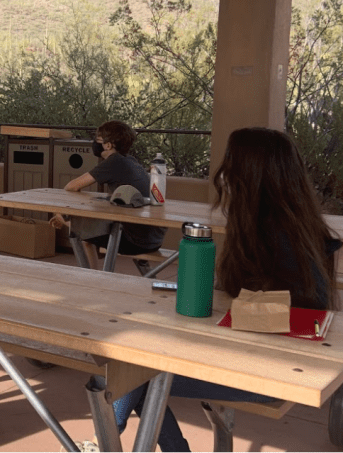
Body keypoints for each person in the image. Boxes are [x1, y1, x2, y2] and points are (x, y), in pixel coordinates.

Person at [108, 127, 341, 452]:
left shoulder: (276, 236)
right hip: (261, 357)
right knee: (138, 369)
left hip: (270, 372)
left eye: (230, 162)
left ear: (249, 175)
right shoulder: (288, 224)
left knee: (136, 374)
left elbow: (293, 316)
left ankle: (104, 440)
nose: (223, 173)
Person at [49, 121, 167, 272]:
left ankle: (92, 277)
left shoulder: (114, 162)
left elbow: (71, 187)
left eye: (97, 139)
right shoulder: (130, 161)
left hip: (135, 241)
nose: (94, 143)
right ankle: (92, 274)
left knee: (80, 231)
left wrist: (63, 217)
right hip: (154, 239)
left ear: (108, 145)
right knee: (87, 228)